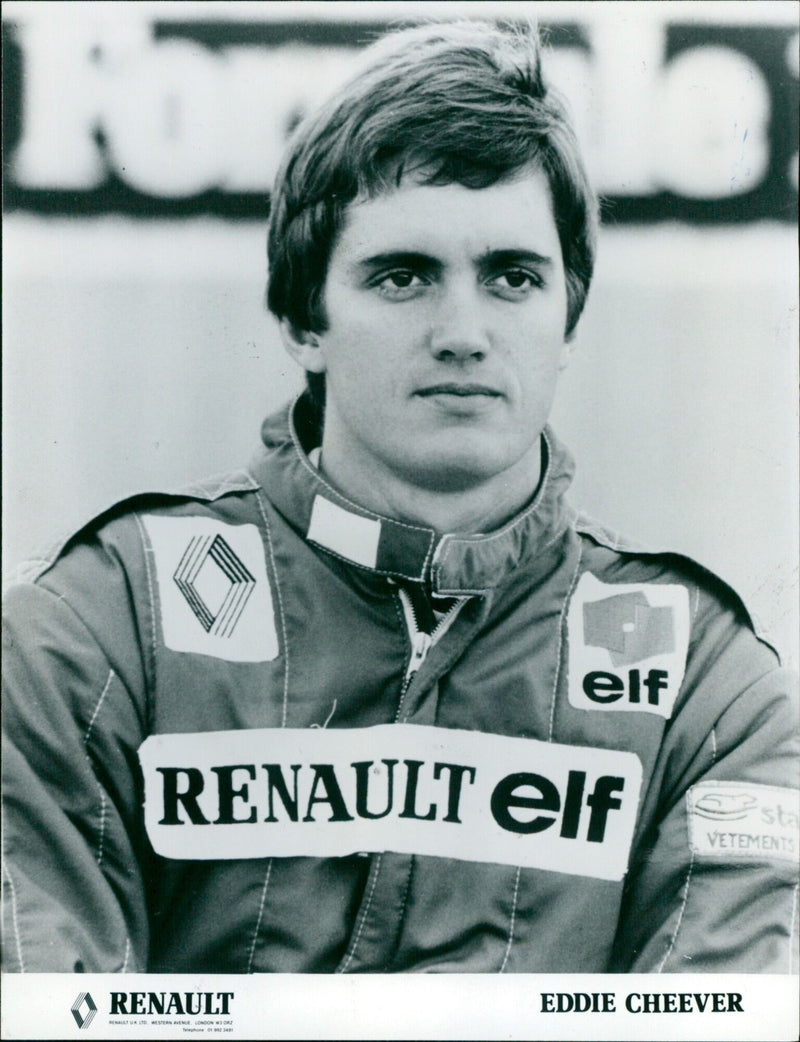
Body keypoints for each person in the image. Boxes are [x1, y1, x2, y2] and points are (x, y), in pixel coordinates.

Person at [2, 19, 797, 975]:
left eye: (511, 277)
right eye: (404, 276)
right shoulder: (101, 626)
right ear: (306, 320)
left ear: (567, 315)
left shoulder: (707, 686)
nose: (463, 332)